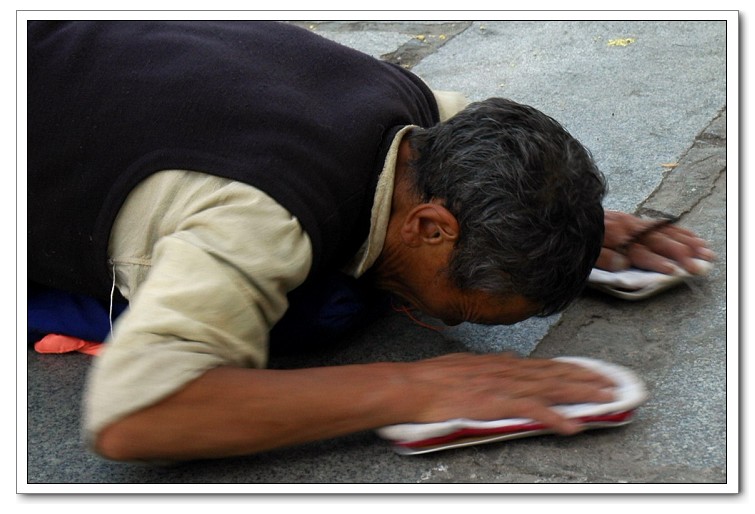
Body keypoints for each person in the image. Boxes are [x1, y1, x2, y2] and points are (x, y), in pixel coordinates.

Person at [27, 20, 713, 462]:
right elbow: (134, 415)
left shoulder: (406, 107)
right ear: (430, 225)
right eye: (467, 311)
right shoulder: (263, 220)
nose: (447, 325)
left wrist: (570, 220)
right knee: (318, 313)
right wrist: (407, 388)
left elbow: (487, 136)